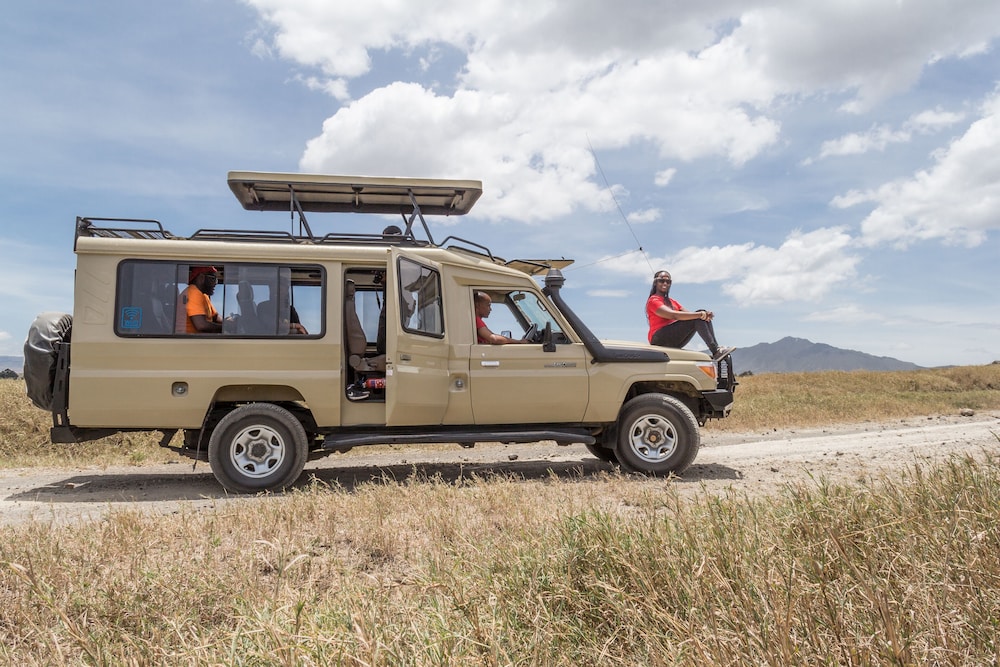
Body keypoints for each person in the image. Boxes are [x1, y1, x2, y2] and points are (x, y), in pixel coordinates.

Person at [646, 270, 733, 361]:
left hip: (672, 338)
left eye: (668, 282)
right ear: (655, 282)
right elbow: (673, 315)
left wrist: (705, 315)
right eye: (661, 281)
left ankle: (717, 349)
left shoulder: (672, 301)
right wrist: (700, 314)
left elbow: (689, 315)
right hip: (659, 339)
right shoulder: (653, 300)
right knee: (698, 315)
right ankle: (715, 350)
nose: (665, 283)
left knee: (700, 315)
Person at [176, 266, 224, 333]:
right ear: (201, 277)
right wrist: (225, 327)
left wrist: (229, 322)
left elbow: (216, 317)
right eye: (213, 279)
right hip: (188, 338)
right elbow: (201, 325)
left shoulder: (204, 295)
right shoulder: (193, 292)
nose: (215, 283)